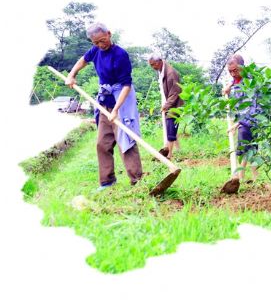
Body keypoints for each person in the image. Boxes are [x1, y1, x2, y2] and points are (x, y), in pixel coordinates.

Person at [65, 23, 143, 190]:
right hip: (104, 104)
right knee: (102, 143)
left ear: (109, 33)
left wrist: (115, 111)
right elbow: (82, 60)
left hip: (121, 103)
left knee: (126, 141)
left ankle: (137, 181)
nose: (101, 45)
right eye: (96, 43)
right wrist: (72, 75)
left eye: (102, 40)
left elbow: (126, 85)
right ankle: (107, 181)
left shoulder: (120, 54)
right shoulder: (96, 51)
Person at [222, 54, 259, 182]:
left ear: (242, 67)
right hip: (244, 120)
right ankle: (245, 177)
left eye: (235, 70)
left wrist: (238, 123)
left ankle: (247, 176)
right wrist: (230, 86)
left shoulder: (249, 81)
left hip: (252, 119)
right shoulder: (237, 79)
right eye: (230, 71)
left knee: (248, 147)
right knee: (248, 148)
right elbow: (236, 81)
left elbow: (251, 106)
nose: (232, 74)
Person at [148, 53, 184, 159]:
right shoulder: (162, 71)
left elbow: (175, 92)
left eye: (153, 64)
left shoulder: (171, 73)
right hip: (169, 103)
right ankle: (178, 150)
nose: (152, 67)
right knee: (171, 127)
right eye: (151, 65)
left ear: (159, 62)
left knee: (171, 128)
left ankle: (169, 155)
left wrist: (166, 105)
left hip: (174, 105)